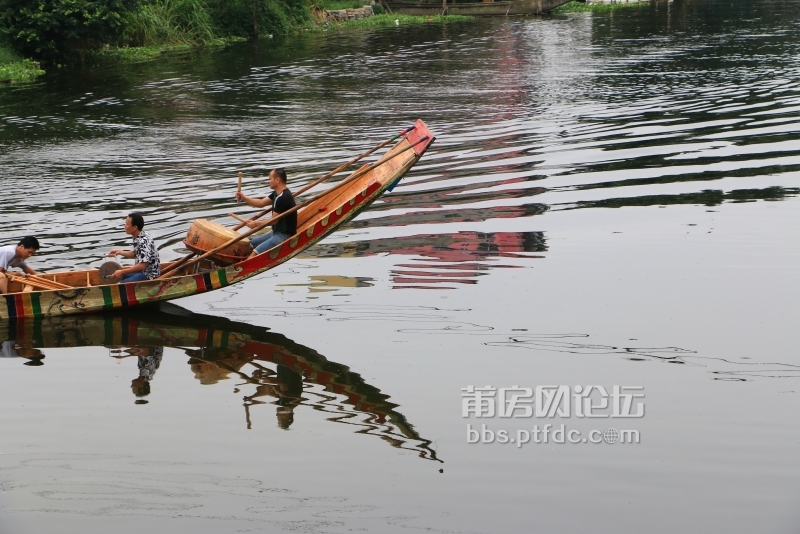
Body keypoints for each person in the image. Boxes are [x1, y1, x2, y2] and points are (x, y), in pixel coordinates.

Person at [235, 168, 297, 257]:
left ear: (277, 180)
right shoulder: (277, 193)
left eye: (270, 178)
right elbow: (261, 203)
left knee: (254, 253)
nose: (269, 181)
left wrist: (255, 224)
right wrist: (244, 198)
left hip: (283, 235)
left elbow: (273, 221)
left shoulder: (283, 197)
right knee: (249, 245)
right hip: (275, 233)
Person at [106, 212, 161, 282]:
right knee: (118, 277)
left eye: (127, 224)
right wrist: (118, 252)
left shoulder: (144, 241)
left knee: (123, 284)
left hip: (149, 275)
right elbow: (136, 254)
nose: (124, 226)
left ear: (135, 227)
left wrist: (122, 271)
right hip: (141, 272)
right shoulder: (138, 236)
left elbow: (142, 265)